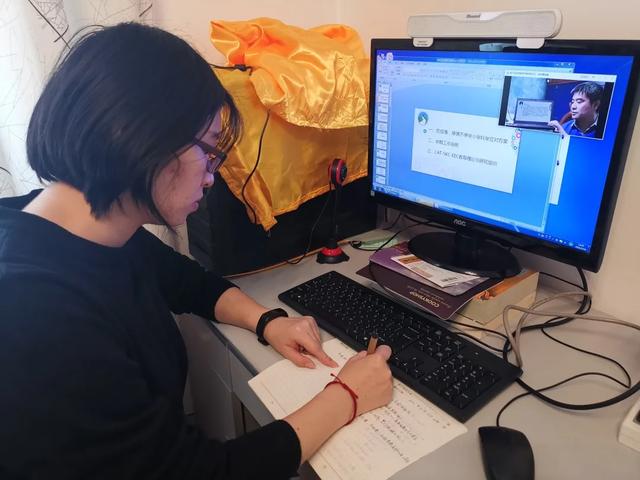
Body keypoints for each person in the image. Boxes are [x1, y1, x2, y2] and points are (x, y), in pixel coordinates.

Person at [0, 23, 393, 479]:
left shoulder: (78, 225)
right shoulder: (37, 314)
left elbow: (187, 281)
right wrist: (347, 396)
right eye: (208, 151)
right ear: (137, 136)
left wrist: (268, 321)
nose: (212, 176)